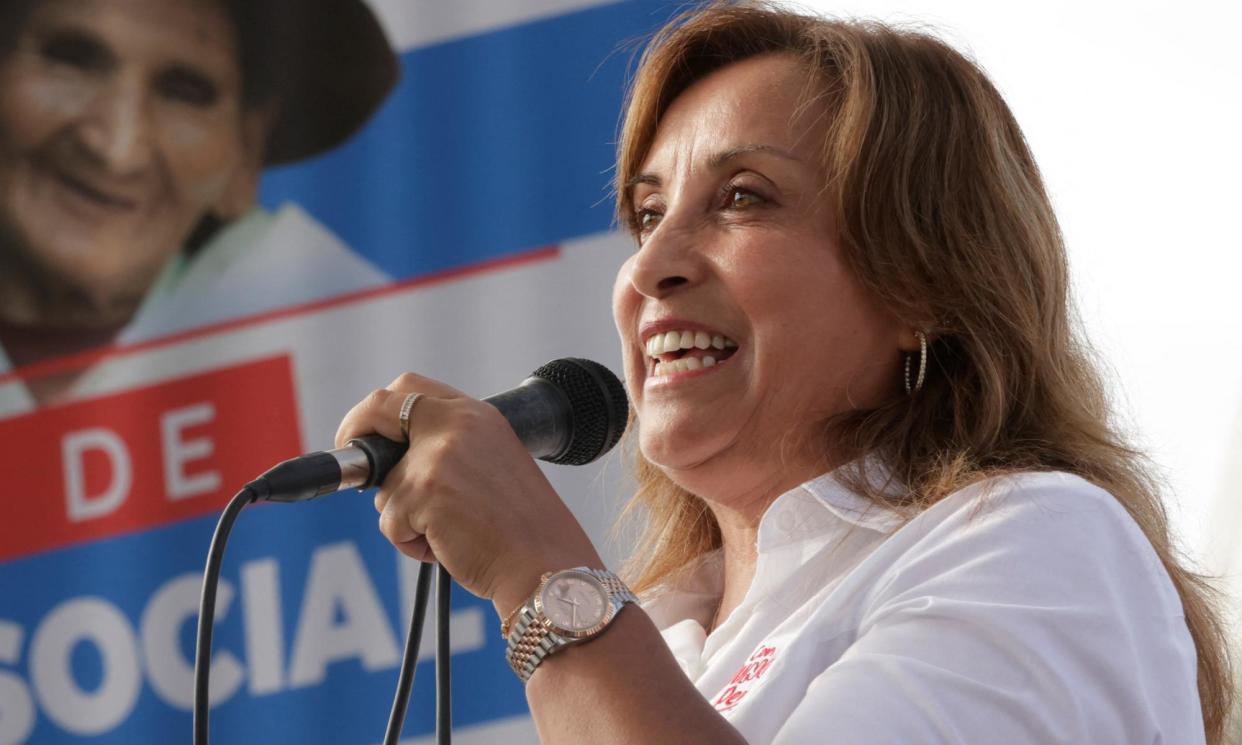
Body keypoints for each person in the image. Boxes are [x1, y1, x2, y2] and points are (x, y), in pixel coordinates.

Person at [335, 3, 1232, 743]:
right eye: (648, 215)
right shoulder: (660, 631)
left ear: (922, 282)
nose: (652, 268)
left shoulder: (1038, 542)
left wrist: (542, 576)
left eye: (741, 198)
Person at [0, 0, 398, 408]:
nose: (118, 150)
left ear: (246, 153)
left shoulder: (344, 338)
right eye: (73, 58)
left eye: (185, 93)